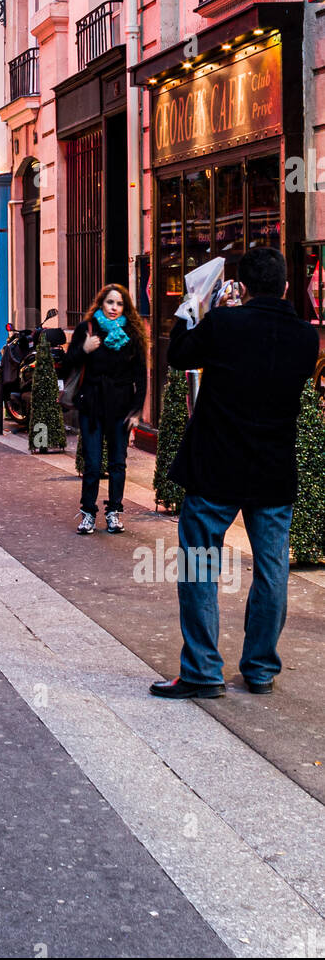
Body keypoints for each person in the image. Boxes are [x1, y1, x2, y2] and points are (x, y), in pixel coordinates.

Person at [151, 246, 319, 700]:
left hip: (216, 467)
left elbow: (181, 356)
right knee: (271, 571)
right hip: (271, 471)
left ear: (241, 287)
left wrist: (193, 310)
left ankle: (203, 672)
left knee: (200, 565)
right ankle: (260, 669)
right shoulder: (307, 338)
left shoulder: (225, 324)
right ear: (285, 285)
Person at [63, 283, 147, 535]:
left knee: (118, 464)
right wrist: (83, 350)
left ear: (125, 307)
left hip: (121, 408)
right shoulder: (86, 329)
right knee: (92, 464)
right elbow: (66, 366)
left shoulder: (132, 333)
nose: (114, 308)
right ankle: (88, 513)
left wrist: (136, 411)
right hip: (92, 405)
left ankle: (114, 513)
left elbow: (141, 376)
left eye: (119, 303)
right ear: (101, 303)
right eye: (110, 302)